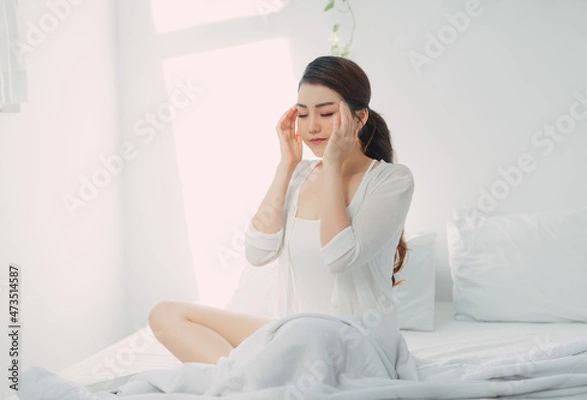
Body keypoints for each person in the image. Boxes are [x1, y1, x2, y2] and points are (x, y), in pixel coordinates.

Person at [148, 55, 415, 365]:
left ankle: (245, 381)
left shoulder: (391, 180)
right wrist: (286, 166)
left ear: (360, 118)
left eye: (326, 113)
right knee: (166, 314)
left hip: (355, 344)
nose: (312, 126)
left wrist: (331, 164)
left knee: (283, 347)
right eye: (302, 114)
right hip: (295, 336)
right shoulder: (299, 175)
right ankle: (245, 384)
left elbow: (339, 256)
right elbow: (257, 252)